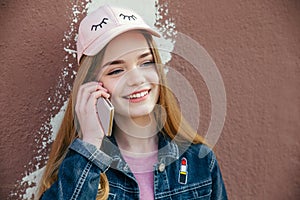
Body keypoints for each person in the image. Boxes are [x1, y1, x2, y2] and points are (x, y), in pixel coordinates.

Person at [37, 4, 228, 200]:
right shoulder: (78, 170)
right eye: (116, 70)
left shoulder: (200, 162)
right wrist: (90, 145)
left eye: (145, 62)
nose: (137, 79)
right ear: (93, 86)